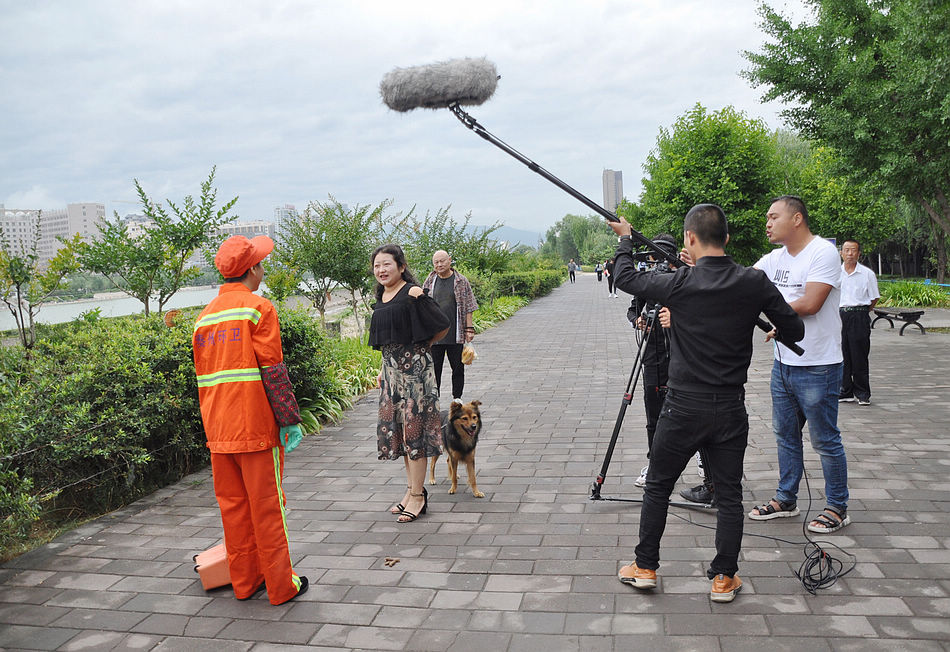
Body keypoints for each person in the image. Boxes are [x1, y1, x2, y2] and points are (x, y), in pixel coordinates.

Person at [609, 204, 804, 603]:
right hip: (730, 407)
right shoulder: (754, 282)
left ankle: (645, 567)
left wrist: (625, 237)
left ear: (689, 239)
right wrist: (766, 323)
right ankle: (723, 578)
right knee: (730, 494)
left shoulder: (679, 283)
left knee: (659, 486)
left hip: (682, 407)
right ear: (727, 239)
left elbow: (624, 276)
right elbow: (794, 326)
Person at [192, 235, 308, 605]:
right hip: (254, 429)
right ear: (253, 269)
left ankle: (245, 583)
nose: (263, 268)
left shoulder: (204, 318)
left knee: (235, 510)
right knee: (267, 508)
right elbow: (273, 371)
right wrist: (289, 419)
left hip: (218, 431)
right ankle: (281, 587)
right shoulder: (258, 309)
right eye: (261, 263)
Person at [749, 195, 851, 535]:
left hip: (819, 364)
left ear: (796, 219)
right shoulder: (774, 258)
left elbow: (810, 302)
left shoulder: (822, 252)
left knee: (825, 439)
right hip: (783, 363)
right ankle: (786, 498)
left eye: (773, 216)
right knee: (785, 434)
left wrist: (774, 316)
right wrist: (703, 263)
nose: (767, 222)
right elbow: (740, 282)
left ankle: (837, 506)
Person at [369, 244, 450, 523]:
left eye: (387, 264)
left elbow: (442, 323)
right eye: (377, 265)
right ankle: (411, 491)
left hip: (415, 375)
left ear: (401, 266)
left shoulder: (412, 293)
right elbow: (386, 341)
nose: (381, 270)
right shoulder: (382, 296)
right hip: (392, 375)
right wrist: (383, 369)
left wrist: (424, 347)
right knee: (403, 436)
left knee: (416, 435)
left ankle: (418, 497)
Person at [423, 250, 479, 402]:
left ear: (450, 260)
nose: (439, 265)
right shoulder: (430, 280)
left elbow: (468, 306)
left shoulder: (460, 280)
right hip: (435, 335)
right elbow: (423, 304)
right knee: (434, 369)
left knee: (458, 367)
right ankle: (435, 399)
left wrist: (469, 328)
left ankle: (457, 397)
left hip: (456, 332)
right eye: (436, 262)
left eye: (442, 261)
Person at [838, 239, 879, 406]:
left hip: (859, 315)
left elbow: (874, 298)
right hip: (839, 316)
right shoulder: (834, 273)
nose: (850, 254)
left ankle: (862, 393)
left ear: (858, 253)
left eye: (853, 250)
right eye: (846, 250)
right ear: (841, 253)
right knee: (842, 355)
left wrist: (862, 312)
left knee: (859, 354)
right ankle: (845, 391)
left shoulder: (867, 274)